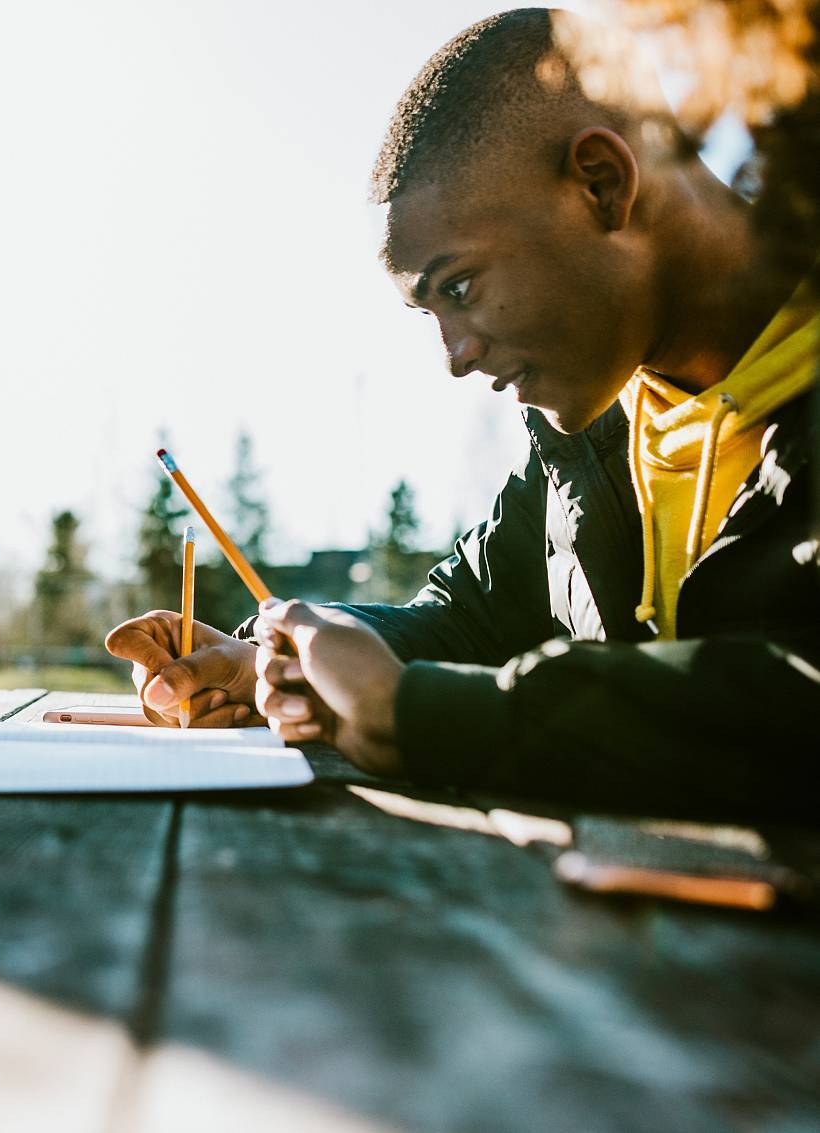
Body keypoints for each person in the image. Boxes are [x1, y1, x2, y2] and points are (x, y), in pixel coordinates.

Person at [106, 8, 820, 817]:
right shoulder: (590, 444)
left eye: (461, 287)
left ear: (603, 184)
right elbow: (462, 626)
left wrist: (422, 719)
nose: (456, 356)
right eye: (430, 315)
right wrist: (286, 659)